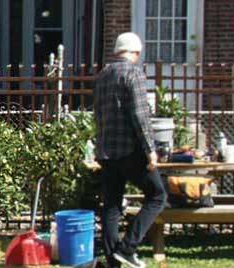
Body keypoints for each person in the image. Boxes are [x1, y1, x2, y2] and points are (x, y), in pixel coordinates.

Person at [93, 32, 166, 268]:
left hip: (106, 150)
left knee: (112, 206)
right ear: (135, 51)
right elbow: (140, 116)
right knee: (157, 196)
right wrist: (150, 149)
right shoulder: (133, 73)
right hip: (130, 150)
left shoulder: (103, 75)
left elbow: (98, 114)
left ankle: (113, 259)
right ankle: (127, 247)